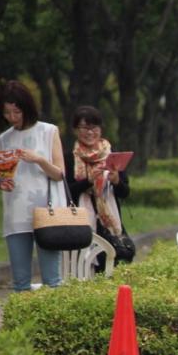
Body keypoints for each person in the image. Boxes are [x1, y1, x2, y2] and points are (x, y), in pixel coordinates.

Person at [0, 80, 64, 291]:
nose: (12, 117)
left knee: (52, 280)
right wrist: (0, 182)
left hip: (47, 213)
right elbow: (1, 177)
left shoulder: (48, 131)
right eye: (7, 113)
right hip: (16, 214)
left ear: (27, 108)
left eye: (17, 112)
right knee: (20, 282)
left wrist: (39, 160)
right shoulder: (3, 140)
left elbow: (60, 174)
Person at [68, 106, 133, 267]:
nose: (90, 132)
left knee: (110, 267)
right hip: (80, 224)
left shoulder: (112, 155)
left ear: (100, 129)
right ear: (76, 130)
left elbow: (125, 192)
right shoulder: (69, 158)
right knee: (84, 268)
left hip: (108, 224)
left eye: (94, 127)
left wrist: (117, 180)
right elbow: (66, 192)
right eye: (84, 127)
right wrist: (89, 180)